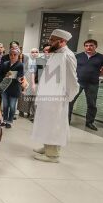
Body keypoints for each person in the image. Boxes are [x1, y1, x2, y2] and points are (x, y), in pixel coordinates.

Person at [32, 29, 79, 163]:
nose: (49, 42)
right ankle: (48, 147)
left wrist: (68, 96)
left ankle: (52, 155)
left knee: (54, 124)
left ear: (62, 41)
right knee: (47, 122)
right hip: (49, 96)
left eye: (53, 40)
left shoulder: (67, 55)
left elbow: (72, 79)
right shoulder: (56, 53)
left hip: (57, 98)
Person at [69, 39, 103, 131]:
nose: (88, 47)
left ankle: (89, 122)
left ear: (95, 46)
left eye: (91, 45)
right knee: (70, 101)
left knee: (92, 104)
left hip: (92, 84)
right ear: (84, 46)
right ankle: (67, 120)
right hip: (77, 82)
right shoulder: (78, 56)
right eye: (86, 45)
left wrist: (95, 75)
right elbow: (72, 68)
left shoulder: (102, 57)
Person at [0, 48, 24, 128]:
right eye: (11, 54)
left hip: (14, 88)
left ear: (18, 55)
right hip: (5, 87)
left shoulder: (20, 65)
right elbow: (1, 75)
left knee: (12, 106)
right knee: (5, 105)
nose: (12, 56)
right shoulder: (5, 63)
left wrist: (10, 75)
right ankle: (5, 120)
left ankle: (9, 121)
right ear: (9, 55)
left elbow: (20, 76)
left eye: (15, 55)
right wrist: (2, 83)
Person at [17, 48, 40, 119]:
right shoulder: (27, 60)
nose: (34, 53)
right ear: (30, 53)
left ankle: (31, 113)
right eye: (32, 52)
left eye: (36, 52)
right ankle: (21, 111)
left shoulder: (40, 61)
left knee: (32, 98)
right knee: (23, 97)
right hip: (25, 80)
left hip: (35, 82)